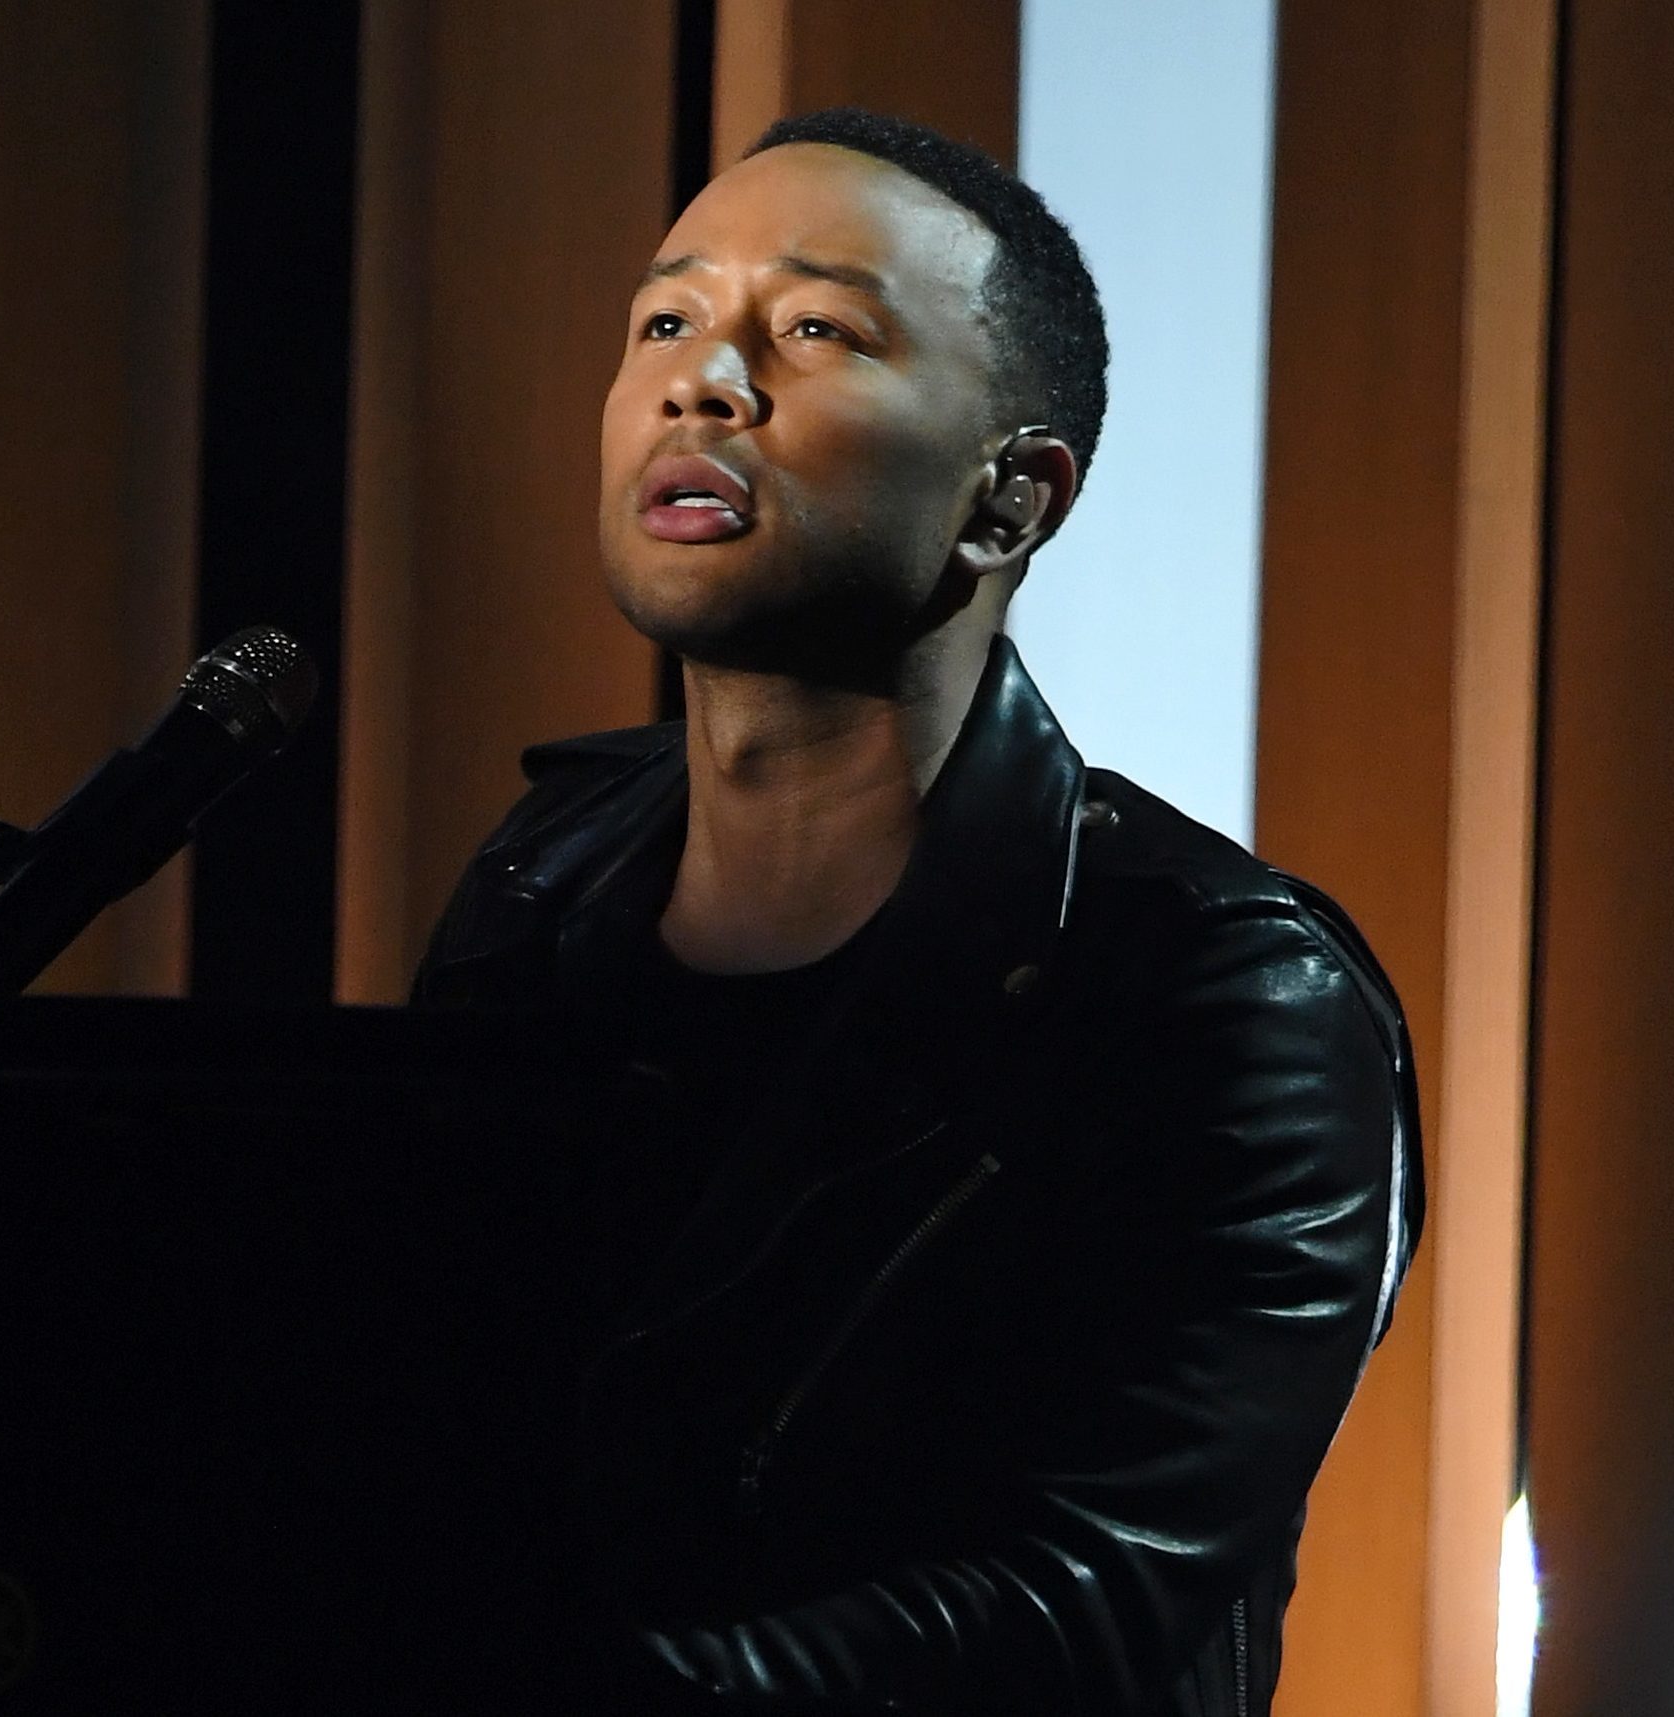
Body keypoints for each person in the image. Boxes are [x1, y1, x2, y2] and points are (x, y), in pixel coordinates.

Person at [414, 108, 1421, 1715]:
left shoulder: (1225, 998)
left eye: (813, 330)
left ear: (1011, 499)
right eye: (665, 321)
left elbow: (1085, 1596)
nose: (703, 381)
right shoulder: (540, 886)